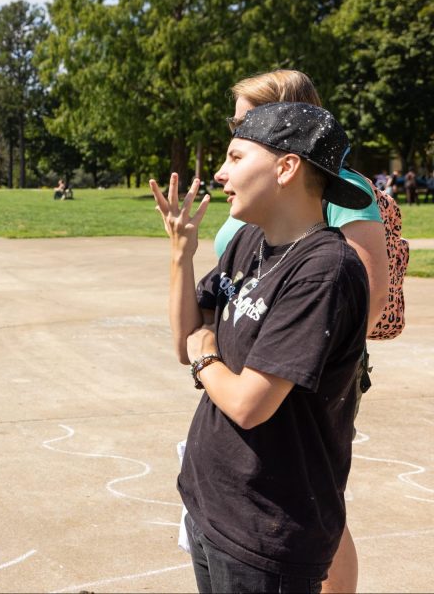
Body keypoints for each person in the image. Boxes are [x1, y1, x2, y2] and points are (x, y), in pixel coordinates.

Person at [152, 103, 370, 594]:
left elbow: (250, 403)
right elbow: (184, 339)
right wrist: (180, 256)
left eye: (234, 156)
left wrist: (207, 353)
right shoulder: (251, 241)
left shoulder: (324, 271)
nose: (220, 173)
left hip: (268, 529)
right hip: (214, 504)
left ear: (286, 166)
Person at [213, 69, 388, 594]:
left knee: (310, 505)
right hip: (248, 352)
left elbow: (366, 295)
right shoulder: (251, 188)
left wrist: (295, 361)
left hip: (299, 372)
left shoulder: (343, 187)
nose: (237, 133)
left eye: (244, 121)